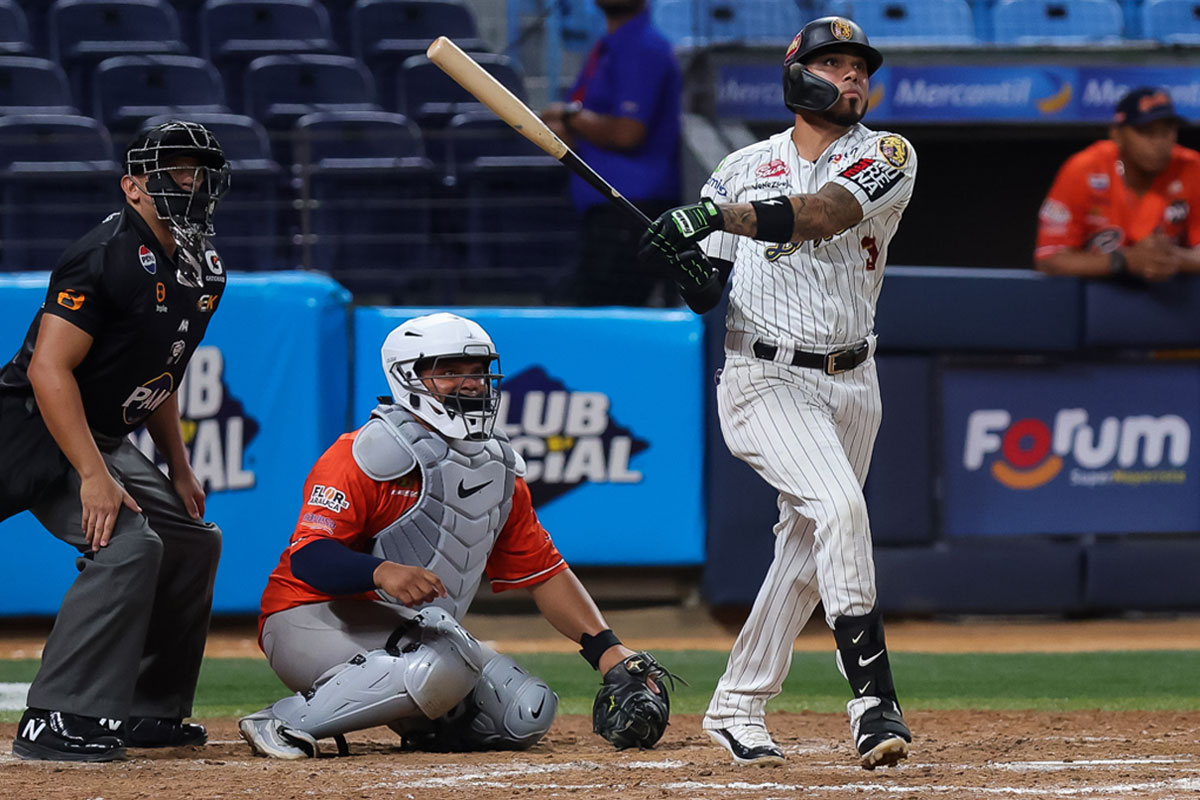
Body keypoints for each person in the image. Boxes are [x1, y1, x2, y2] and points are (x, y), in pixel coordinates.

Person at [637, 17, 916, 770]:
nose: (852, 76)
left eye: (859, 65)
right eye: (833, 63)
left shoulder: (888, 154)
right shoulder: (738, 166)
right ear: (797, 74)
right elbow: (709, 290)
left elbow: (821, 216)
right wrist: (684, 260)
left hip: (854, 379)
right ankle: (873, 700)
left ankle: (736, 704)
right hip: (763, 375)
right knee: (838, 508)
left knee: (803, 553)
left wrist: (707, 217)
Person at [238, 313, 674, 759]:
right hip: (307, 622)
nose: (469, 385)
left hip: (412, 635)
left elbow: (544, 571)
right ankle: (283, 721)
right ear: (408, 377)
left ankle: (426, 727)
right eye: (449, 372)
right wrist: (381, 572)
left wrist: (606, 650)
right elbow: (308, 558)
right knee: (444, 664)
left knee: (526, 711)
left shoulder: (497, 467)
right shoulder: (369, 453)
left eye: (478, 372)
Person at [0, 120, 231, 762]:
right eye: (175, 172)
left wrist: (178, 465)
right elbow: (49, 370)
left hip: (98, 431)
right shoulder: (101, 254)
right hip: (26, 426)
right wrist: (95, 474)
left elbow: (161, 371)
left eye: (199, 171)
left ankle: (142, 709)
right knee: (127, 547)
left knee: (188, 540)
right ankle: (56, 717)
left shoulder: (205, 269)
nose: (192, 183)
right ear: (134, 187)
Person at [541, 0, 682, 306]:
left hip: (631, 212)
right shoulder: (606, 47)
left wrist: (570, 117)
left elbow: (627, 132)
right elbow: (562, 123)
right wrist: (570, 120)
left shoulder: (644, 46)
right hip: (603, 211)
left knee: (607, 321)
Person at [1035, 87, 1200, 282]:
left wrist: (1171, 257)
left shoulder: (1192, 168)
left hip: (1173, 301)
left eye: (1167, 131)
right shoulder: (1084, 169)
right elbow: (1048, 259)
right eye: (1146, 131)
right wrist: (1126, 261)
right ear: (1117, 134)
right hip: (1095, 299)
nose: (1159, 142)